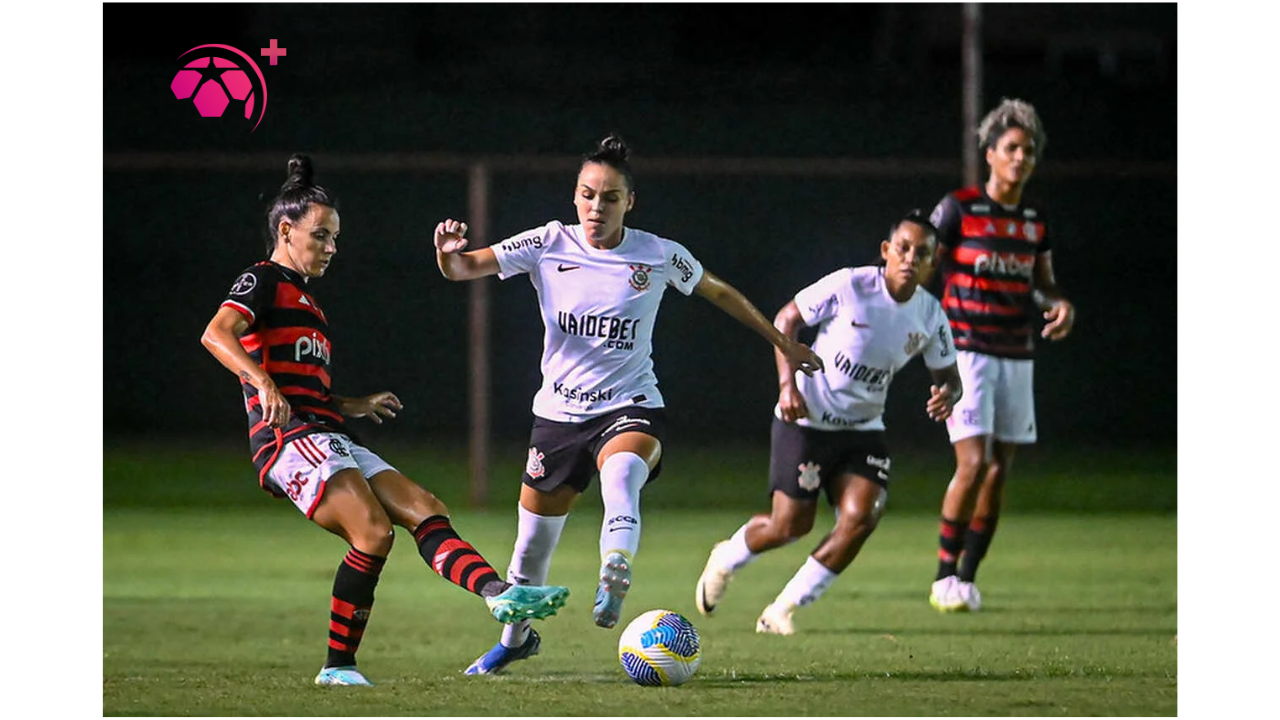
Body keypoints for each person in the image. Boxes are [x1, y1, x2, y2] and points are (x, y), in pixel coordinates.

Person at [432, 134, 824, 674]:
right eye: (589, 194)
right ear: (575, 195)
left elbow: (718, 291)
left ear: (629, 202)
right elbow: (463, 268)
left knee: (622, 477)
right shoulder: (548, 243)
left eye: (610, 197)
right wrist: (447, 253)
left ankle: (615, 568)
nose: (597, 207)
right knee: (527, 554)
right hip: (558, 417)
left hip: (631, 405)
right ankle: (516, 640)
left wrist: (781, 342)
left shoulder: (657, 255)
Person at [199, 154, 570, 687]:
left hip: (326, 431)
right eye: (321, 236)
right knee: (372, 534)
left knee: (425, 508)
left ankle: (498, 595)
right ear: (286, 229)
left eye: (335, 238)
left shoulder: (307, 301)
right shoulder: (262, 280)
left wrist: (351, 403)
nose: (331, 248)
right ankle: (338, 667)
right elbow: (216, 334)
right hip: (288, 440)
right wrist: (261, 383)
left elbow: (306, 388)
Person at [693, 210, 962, 635]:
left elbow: (950, 376)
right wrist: (787, 386)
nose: (911, 258)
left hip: (863, 429)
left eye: (922, 253)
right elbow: (786, 319)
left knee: (863, 516)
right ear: (886, 252)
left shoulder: (930, 315)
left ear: (934, 262)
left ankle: (782, 609)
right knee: (790, 525)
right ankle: (726, 557)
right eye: (904, 248)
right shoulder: (851, 285)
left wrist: (948, 394)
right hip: (806, 418)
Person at [925, 98, 1076, 613]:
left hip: (1016, 353)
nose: (1021, 158)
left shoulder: (1035, 220)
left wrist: (1060, 306)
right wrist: (931, 349)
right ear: (990, 154)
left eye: (1029, 151)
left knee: (999, 470)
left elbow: (1045, 285)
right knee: (973, 461)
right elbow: (926, 274)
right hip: (967, 352)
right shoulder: (958, 209)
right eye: (1011, 148)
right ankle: (943, 576)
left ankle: (967, 578)